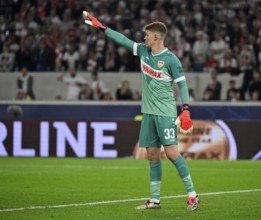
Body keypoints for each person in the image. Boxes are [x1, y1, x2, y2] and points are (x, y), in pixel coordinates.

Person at [83, 11, 199, 211]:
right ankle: (155, 200)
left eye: (147, 34)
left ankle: (192, 195)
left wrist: (185, 110)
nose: (144, 37)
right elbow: (123, 40)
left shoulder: (171, 60)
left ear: (156, 37)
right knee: (152, 155)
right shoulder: (143, 51)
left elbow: (182, 86)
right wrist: (103, 28)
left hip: (165, 113)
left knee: (171, 153)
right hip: (148, 113)